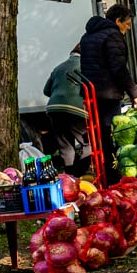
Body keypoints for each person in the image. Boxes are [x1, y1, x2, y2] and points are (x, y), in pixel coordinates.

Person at [80, 4, 137, 184]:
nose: (128, 28)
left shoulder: (87, 36)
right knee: (112, 137)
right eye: (127, 24)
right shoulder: (113, 36)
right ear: (118, 21)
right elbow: (119, 69)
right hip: (108, 94)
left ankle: (104, 177)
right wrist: (135, 95)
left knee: (100, 139)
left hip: (91, 95)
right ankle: (114, 178)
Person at [43, 44, 89, 177]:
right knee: (88, 144)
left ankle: (69, 176)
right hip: (77, 110)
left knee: (65, 146)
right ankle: (80, 174)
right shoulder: (86, 66)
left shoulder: (58, 68)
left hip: (54, 110)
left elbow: (46, 90)